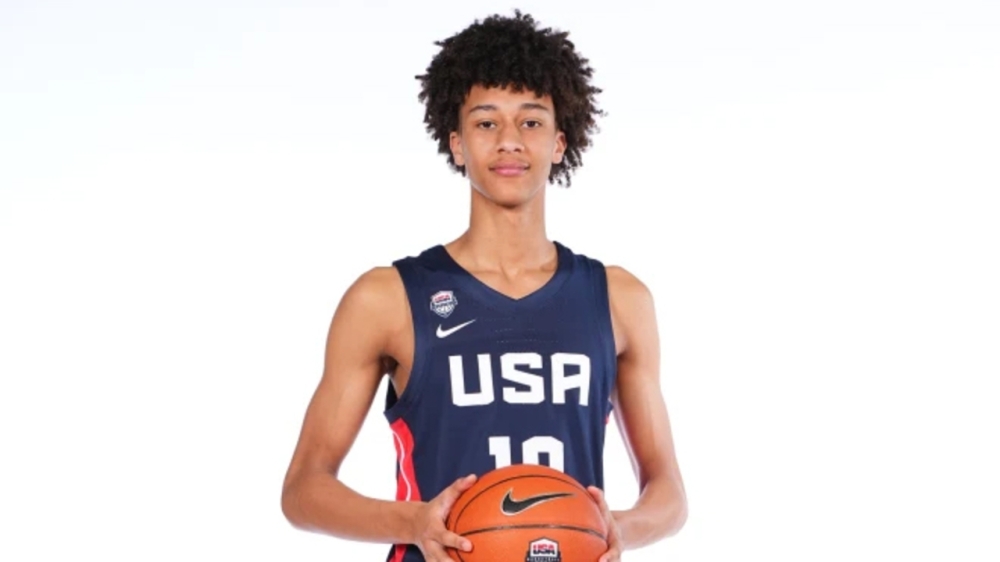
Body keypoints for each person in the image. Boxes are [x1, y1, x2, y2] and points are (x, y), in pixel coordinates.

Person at [280, 10, 687, 562]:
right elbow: (304, 490)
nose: (510, 142)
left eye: (532, 121)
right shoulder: (388, 298)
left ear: (560, 142)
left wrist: (619, 528)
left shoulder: (619, 299)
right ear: (457, 143)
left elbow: (668, 494)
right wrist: (415, 521)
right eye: (487, 122)